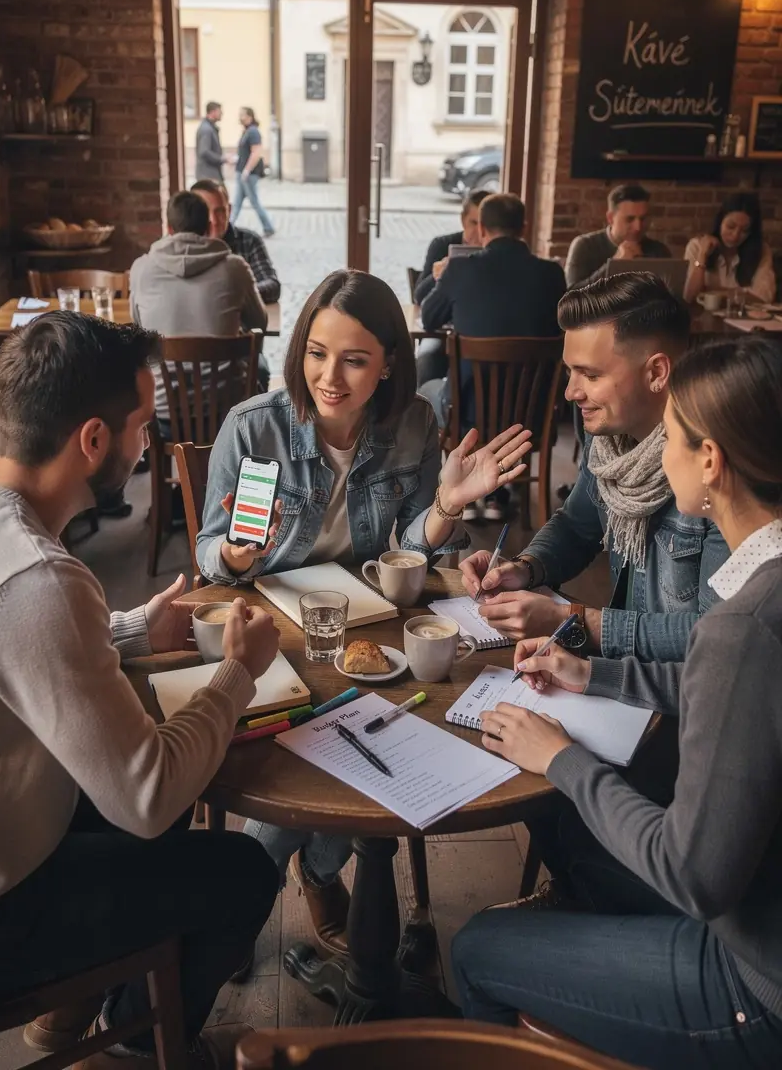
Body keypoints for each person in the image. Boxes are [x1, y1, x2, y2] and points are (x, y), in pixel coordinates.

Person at [0, 312, 280, 1070]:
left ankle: (70, 1014)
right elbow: (149, 792)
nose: (147, 444)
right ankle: (133, 1049)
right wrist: (238, 674)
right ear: (94, 441)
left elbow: (3, 654)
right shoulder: (37, 581)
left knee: (149, 821)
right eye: (142, 426)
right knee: (241, 873)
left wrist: (131, 631)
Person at [452, 334, 782, 1070]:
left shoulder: (744, 624)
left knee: (475, 948)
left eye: (675, 436)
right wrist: (587, 675)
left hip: (757, 983)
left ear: (710, 462)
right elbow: (731, 697)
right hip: (757, 904)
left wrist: (562, 759)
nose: (662, 451)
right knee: (580, 845)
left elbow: (691, 875)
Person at [196, 269, 532, 955]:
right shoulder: (251, 427)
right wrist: (234, 554)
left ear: (387, 366)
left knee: (378, 743)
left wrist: (444, 508)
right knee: (326, 748)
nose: (330, 376)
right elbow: (209, 554)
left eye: (353, 359)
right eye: (317, 353)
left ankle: (281, 890)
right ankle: (235, 918)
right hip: (272, 629)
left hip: (369, 623)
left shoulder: (413, 423)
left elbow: (407, 555)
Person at [460, 273, 728, 660]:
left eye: (591, 374)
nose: (571, 391)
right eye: (570, 371)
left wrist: (571, 621)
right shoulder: (608, 440)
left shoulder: (719, 469)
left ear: (656, 373)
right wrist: (523, 568)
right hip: (620, 674)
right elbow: (577, 524)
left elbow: (718, 637)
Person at [419, 192, 566, 521]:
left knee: (428, 389)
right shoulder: (552, 275)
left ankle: (460, 493)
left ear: (482, 228)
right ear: (524, 228)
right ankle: (497, 495)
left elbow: (428, 318)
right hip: (532, 418)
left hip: (468, 417)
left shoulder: (460, 269)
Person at [130, 190, 268, 415]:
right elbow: (260, 322)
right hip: (227, 413)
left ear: (170, 229)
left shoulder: (141, 269)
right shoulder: (235, 268)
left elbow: (138, 327)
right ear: (207, 228)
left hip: (165, 412)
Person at [413, 186, 488, 388]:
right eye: (474, 222)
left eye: (485, 224)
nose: (479, 231)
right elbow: (419, 296)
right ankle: (425, 414)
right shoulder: (442, 244)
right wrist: (438, 275)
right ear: (463, 219)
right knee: (426, 360)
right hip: (441, 332)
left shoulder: (495, 254)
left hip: (481, 337)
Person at [191, 177, 281, 305]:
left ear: (229, 210)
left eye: (220, 211)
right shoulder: (185, 246)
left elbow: (272, 286)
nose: (214, 220)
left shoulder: (249, 241)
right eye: (205, 212)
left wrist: (234, 294)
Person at [564, 183, 671, 289]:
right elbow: (572, 296)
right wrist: (614, 265)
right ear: (610, 218)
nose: (638, 227)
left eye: (643, 219)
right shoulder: (585, 246)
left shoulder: (659, 251)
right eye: (630, 219)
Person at [683, 191, 776, 305]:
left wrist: (712, 292)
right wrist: (702, 256)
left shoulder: (761, 250)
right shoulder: (696, 246)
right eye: (730, 226)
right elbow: (689, 297)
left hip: (743, 320)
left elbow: (764, 297)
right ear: (720, 222)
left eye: (744, 230)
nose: (735, 235)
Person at [231, 107, 274, 238]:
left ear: (250, 116)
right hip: (241, 172)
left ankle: (268, 227)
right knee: (237, 202)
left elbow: (256, 152)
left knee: (254, 201)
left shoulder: (254, 132)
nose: (240, 117)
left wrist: (247, 170)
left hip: (248, 174)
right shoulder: (246, 131)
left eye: (242, 115)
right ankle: (229, 225)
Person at [194, 100, 226, 184]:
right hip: (208, 174)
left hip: (211, 173)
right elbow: (204, 151)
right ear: (213, 112)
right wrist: (221, 158)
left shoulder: (210, 128)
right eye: (219, 111)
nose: (221, 114)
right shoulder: (206, 129)